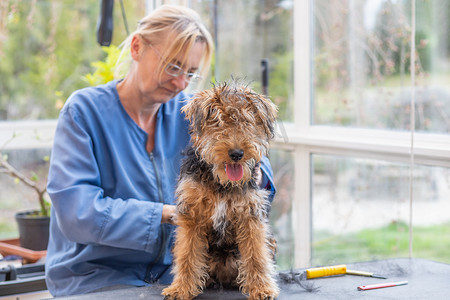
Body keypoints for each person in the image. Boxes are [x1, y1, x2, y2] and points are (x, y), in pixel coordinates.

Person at [45, 4, 276, 297]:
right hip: (96, 277)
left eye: (191, 73)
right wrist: (170, 214)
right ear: (137, 47)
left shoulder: (191, 115)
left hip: (173, 276)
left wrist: (255, 173)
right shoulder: (84, 112)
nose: (180, 83)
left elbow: (252, 162)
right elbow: (77, 213)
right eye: (173, 66)